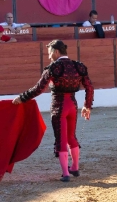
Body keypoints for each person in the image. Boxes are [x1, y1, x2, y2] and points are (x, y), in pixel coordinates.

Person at [13, 40, 94, 182]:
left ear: (56, 52)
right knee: (71, 137)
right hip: (72, 106)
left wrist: (22, 98)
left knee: (61, 139)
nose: (49, 56)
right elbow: (89, 87)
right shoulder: (78, 66)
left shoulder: (53, 68)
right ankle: (74, 167)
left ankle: (65, 173)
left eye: (50, 53)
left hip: (59, 106)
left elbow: (39, 88)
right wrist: (87, 106)